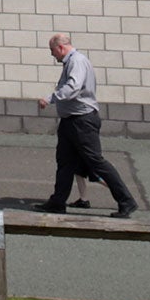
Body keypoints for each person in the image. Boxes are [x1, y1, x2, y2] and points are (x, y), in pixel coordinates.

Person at [37, 34, 138, 218]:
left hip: (81, 121)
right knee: (65, 162)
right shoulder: (73, 61)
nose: (53, 55)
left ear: (60, 48)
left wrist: (50, 98)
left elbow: (73, 87)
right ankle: (58, 202)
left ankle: (126, 201)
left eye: (52, 51)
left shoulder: (77, 61)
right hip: (71, 121)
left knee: (96, 162)